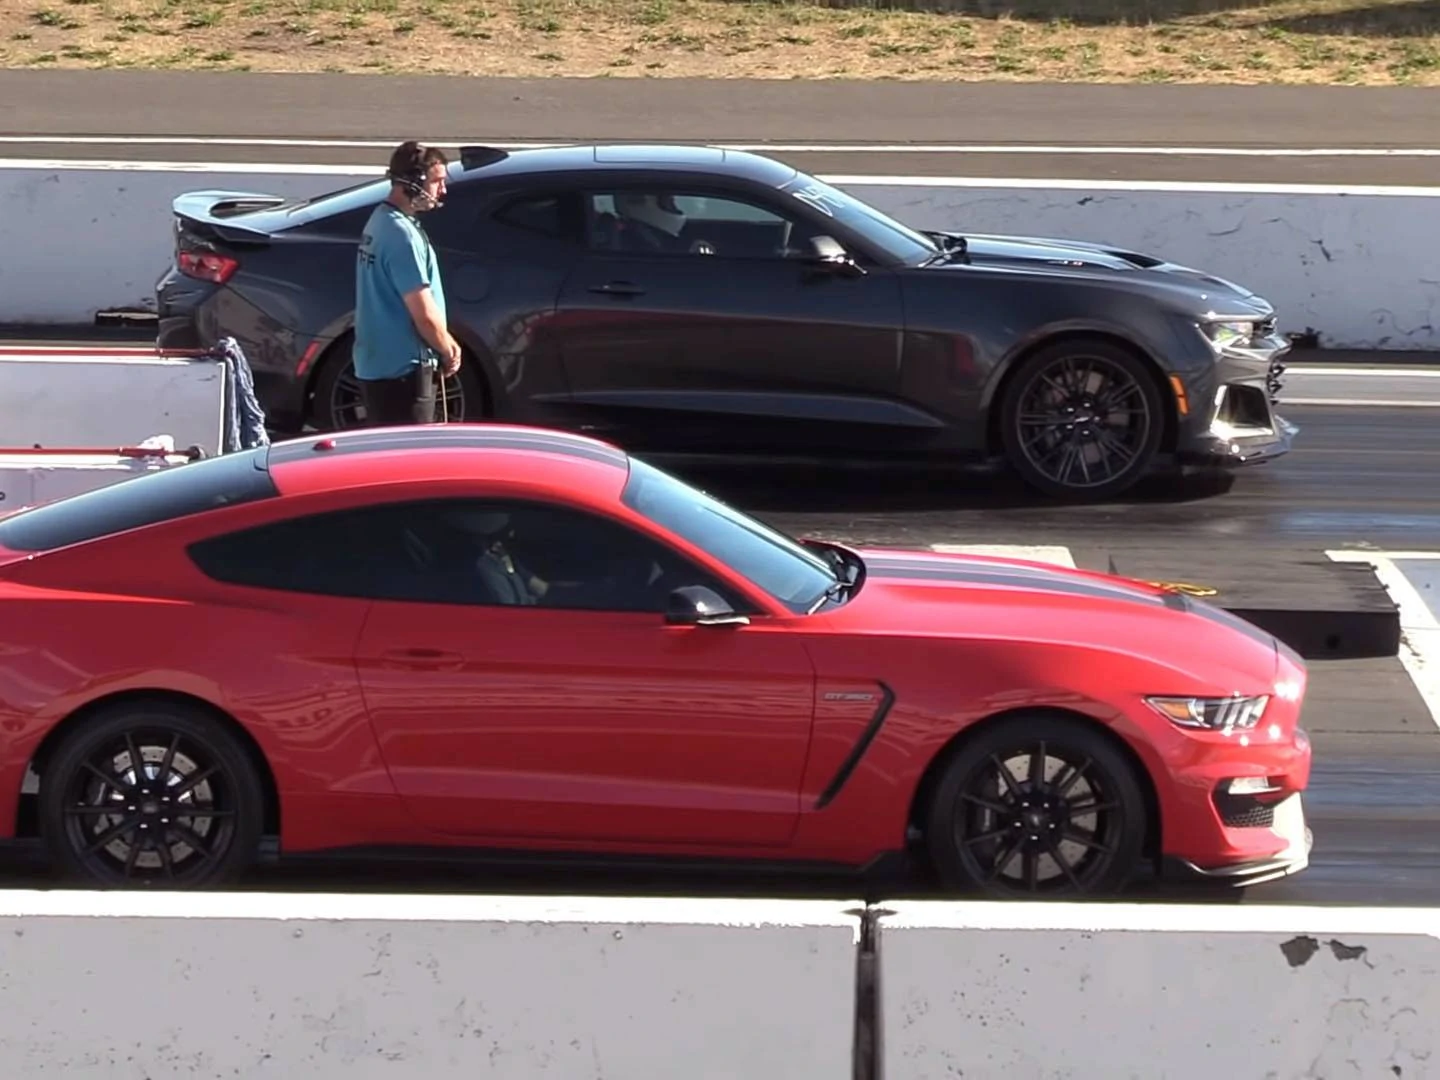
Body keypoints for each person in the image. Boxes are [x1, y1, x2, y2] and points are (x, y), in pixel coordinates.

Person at [352, 140, 462, 426]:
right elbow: (423, 314)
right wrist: (448, 349)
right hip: (404, 371)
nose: (443, 190)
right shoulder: (403, 236)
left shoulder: (379, 222)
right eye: (437, 181)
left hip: (376, 366)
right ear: (414, 182)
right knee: (412, 461)